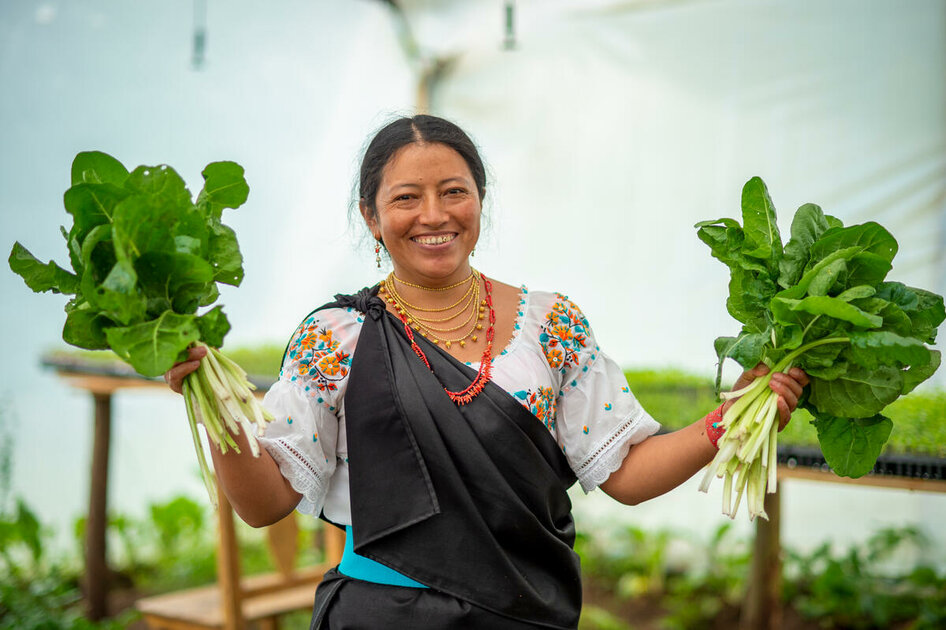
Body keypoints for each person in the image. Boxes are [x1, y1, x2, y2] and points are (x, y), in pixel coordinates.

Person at [165, 114, 808, 629]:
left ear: (480, 201)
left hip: (523, 609)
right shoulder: (336, 337)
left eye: (454, 192)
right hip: (385, 616)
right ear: (372, 217)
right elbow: (263, 504)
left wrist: (730, 419)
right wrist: (208, 399)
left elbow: (627, 474)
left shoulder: (550, 326)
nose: (434, 215)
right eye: (406, 198)